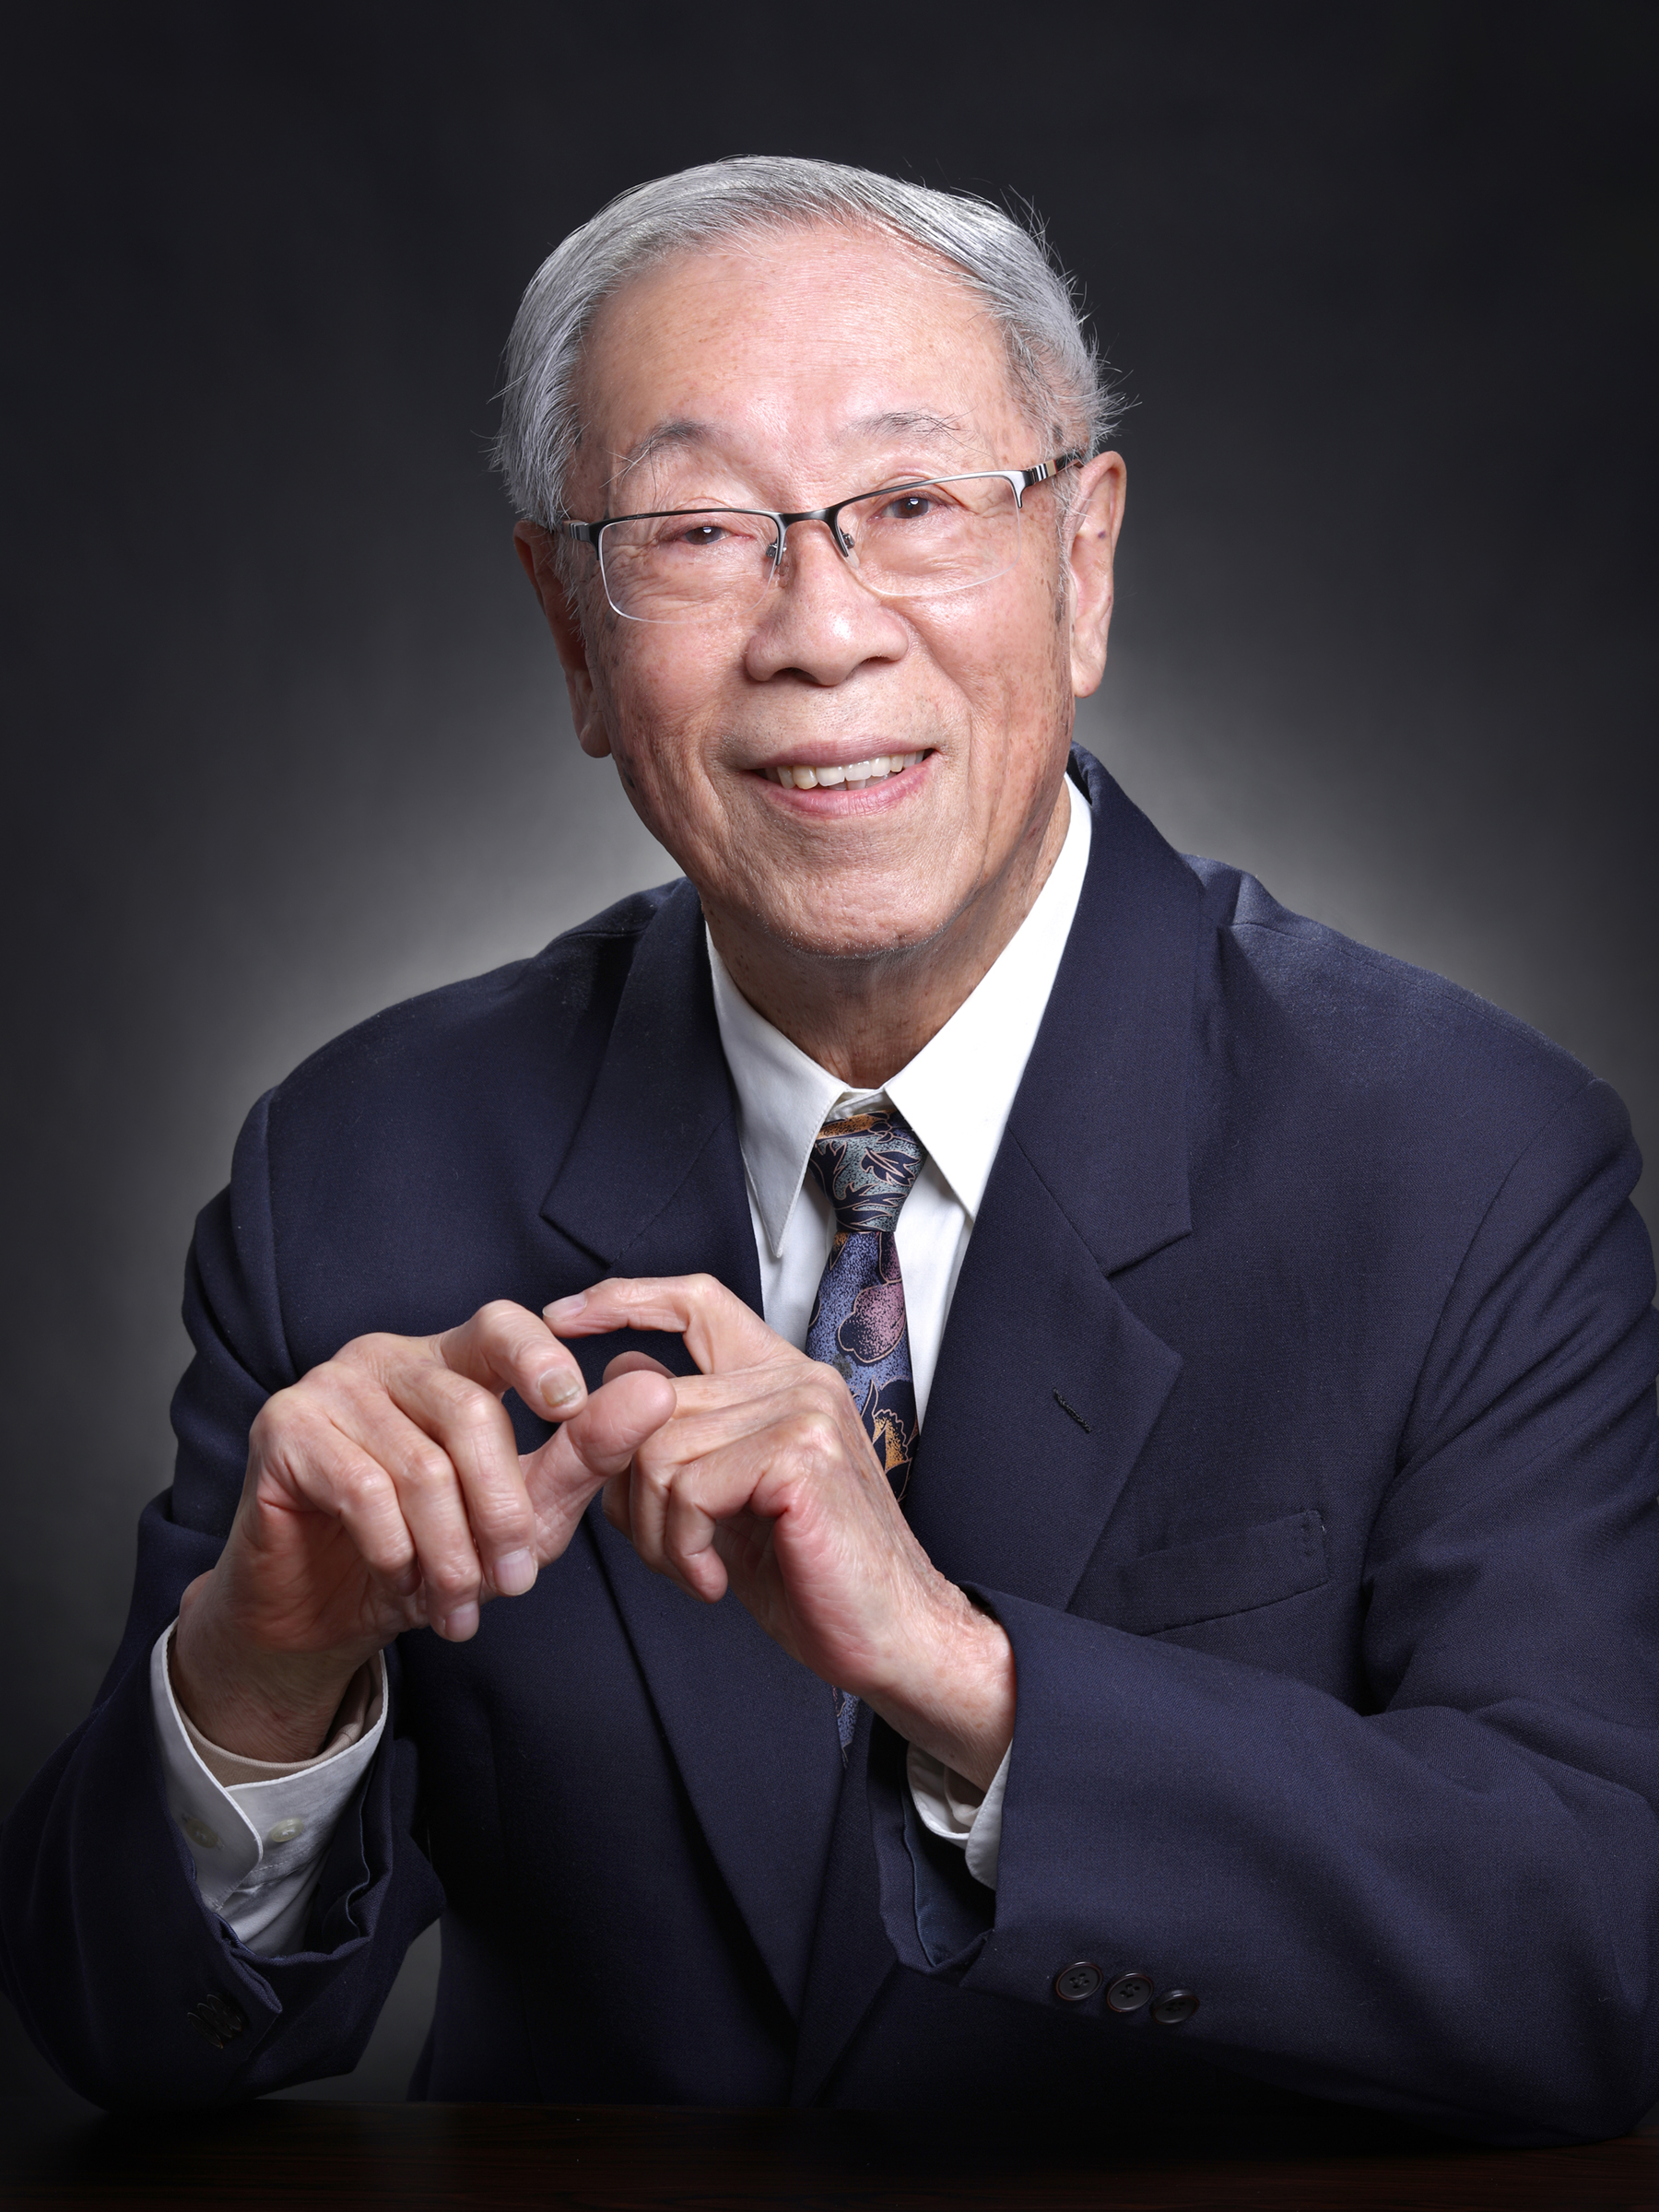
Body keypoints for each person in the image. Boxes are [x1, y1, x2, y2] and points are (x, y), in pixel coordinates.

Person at [4, 156, 1656, 2142]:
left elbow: (1598, 1951)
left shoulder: (1465, 1160)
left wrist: (970, 1679)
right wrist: (262, 1682)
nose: (822, 629)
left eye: (915, 505)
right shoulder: (361, 1170)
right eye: (699, 532)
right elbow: (127, 2041)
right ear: (573, 633)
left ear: (1084, 564)